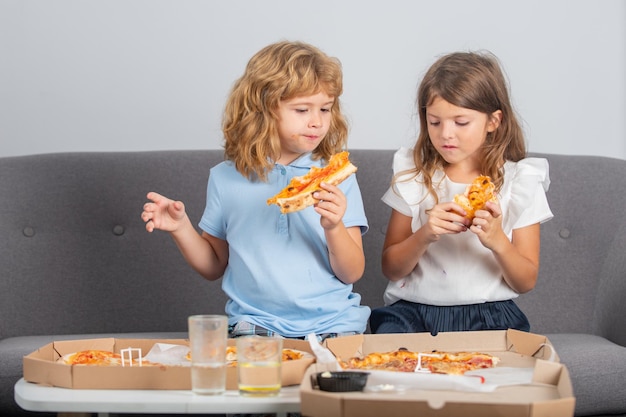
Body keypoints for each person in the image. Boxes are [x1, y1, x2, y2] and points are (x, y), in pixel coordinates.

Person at [141, 41, 370, 341]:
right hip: (254, 324)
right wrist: (180, 227)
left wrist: (334, 225)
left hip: (335, 322)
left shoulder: (337, 176)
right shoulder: (226, 178)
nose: (317, 121)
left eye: (325, 109)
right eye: (302, 110)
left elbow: (351, 273)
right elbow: (213, 266)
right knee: (254, 387)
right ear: (263, 108)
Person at [370, 51, 553, 335]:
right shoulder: (415, 176)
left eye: (461, 122)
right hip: (413, 311)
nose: (446, 134)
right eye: (435, 122)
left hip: (490, 313)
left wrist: (497, 241)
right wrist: (426, 234)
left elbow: (525, 281)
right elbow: (392, 268)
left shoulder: (519, 182)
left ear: (493, 121)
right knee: (391, 357)